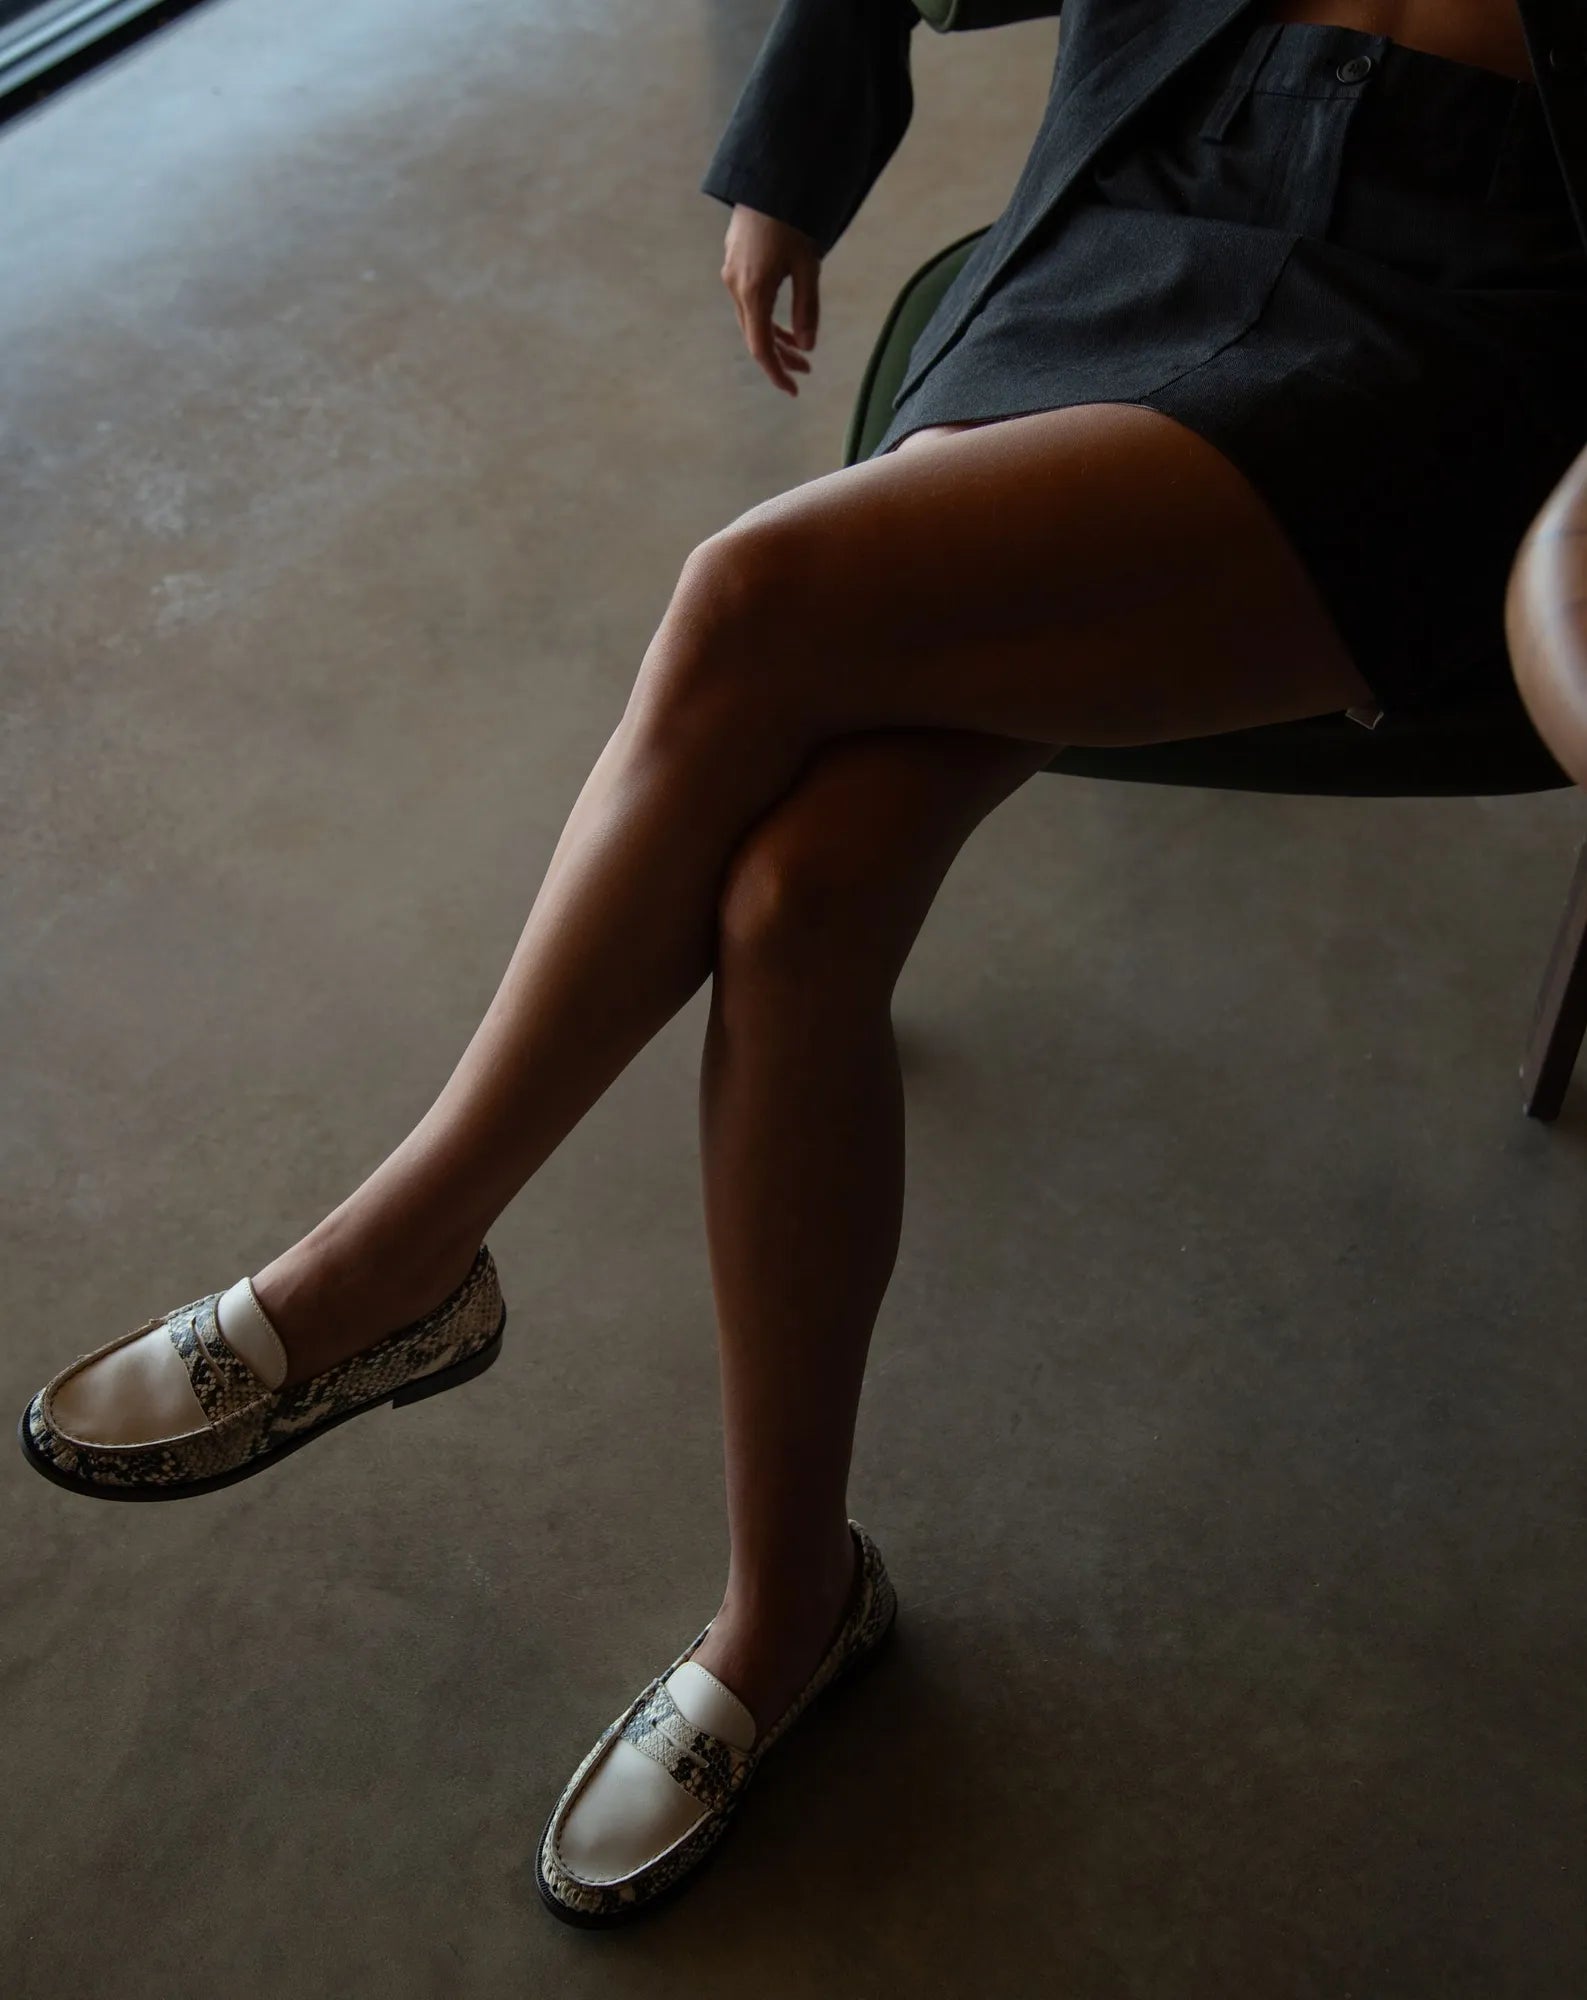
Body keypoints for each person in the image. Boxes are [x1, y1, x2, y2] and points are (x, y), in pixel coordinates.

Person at [19, 0, 1587, 1931]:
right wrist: (802, 133)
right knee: (799, 900)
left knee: (750, 596)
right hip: (1158, 183)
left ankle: (392, 1264)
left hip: (1459, 321)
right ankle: (791, 1607)